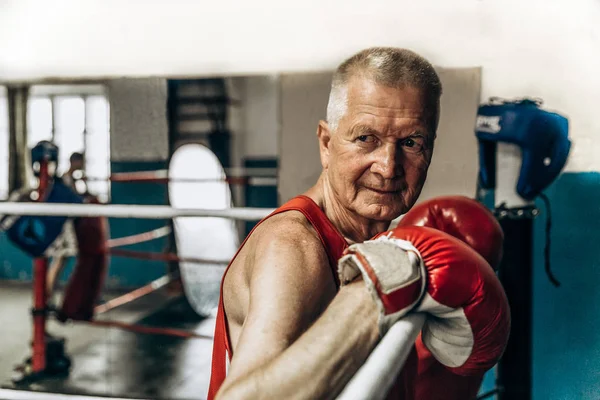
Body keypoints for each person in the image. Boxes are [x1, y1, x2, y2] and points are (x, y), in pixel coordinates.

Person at [208, 47, 510, 400]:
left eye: (411, 143)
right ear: (326, 143)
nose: (388, 166)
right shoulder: (293, 246)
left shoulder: (383, 240)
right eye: (367, 138)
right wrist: (372, 295)